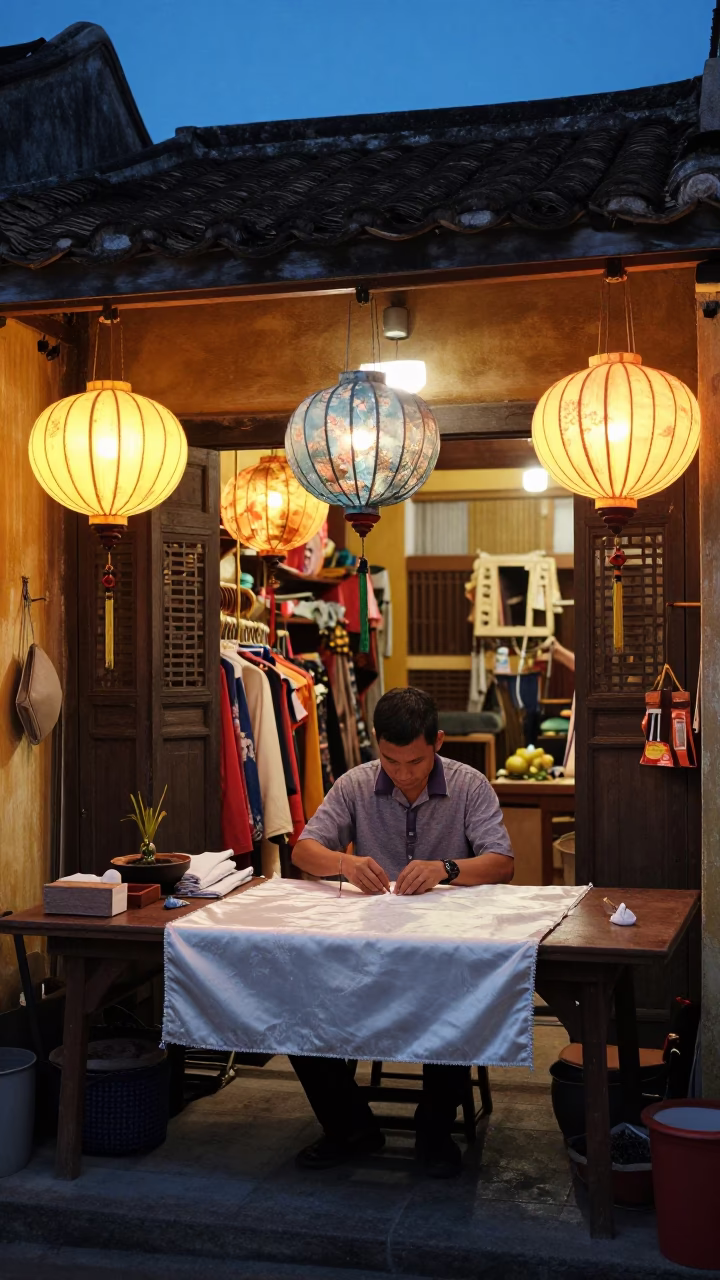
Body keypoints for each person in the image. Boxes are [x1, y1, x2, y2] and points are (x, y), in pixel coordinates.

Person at [290, 686, 514, 1178]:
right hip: (367, 941)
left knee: (460, 1000)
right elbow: (303, 851)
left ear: (437, 741)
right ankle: (350, 1128)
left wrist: (446, 869)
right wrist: (344, 862)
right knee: (297, 996)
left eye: (415, 761)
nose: (404, 773)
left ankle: (434, 1131)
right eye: (391, 761)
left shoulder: (470, 785)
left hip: (445, 945)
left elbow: (501, 864)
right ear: (375, 743)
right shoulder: (355, 784)